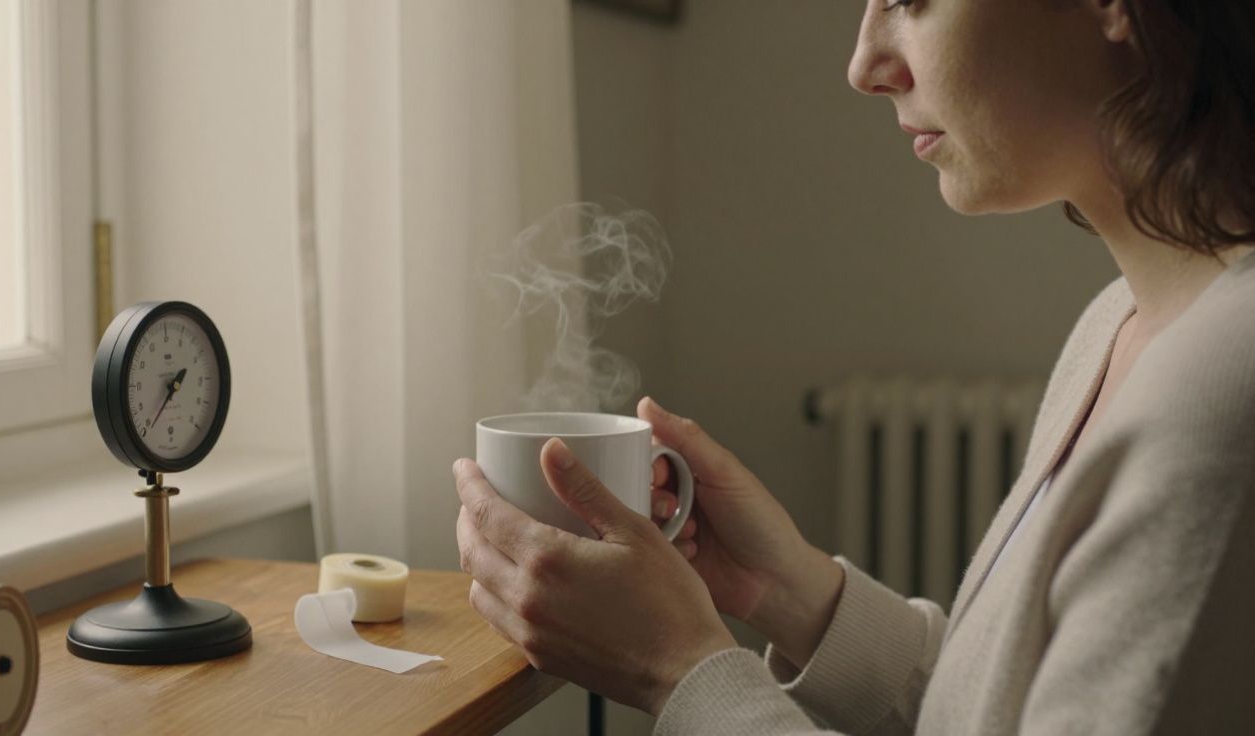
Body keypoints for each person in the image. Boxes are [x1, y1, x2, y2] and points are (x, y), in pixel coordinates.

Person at [453, 0, 1255, 732]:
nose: (865, 65)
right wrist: (788, 591)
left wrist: (678, 670)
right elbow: (1005, 713)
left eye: (908, 1)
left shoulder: (1223, 398)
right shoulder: (1121, 322)